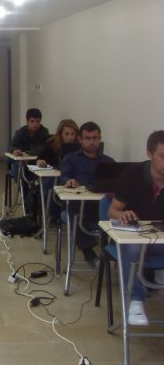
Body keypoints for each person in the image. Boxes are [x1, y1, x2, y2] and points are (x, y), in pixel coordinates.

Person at [107, 130, 164, 325]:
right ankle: (136, 301)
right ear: (149, 153)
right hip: (135, 237)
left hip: (160, 240)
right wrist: (122, 215)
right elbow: (112, 211)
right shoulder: (133, 174)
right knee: (131, 247)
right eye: (162, 156)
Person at [59, 121, 114, 268]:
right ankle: (89, 253)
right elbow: (64, 177)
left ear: (100, 139)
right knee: (74, 210)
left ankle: (112, 254)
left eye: (94, 138)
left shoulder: (108, 161)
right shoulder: (70, 158)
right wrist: (69, 181)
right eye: (87, 138)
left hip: (101, 206)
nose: (91, 142)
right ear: (80, 139)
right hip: (80, 206)